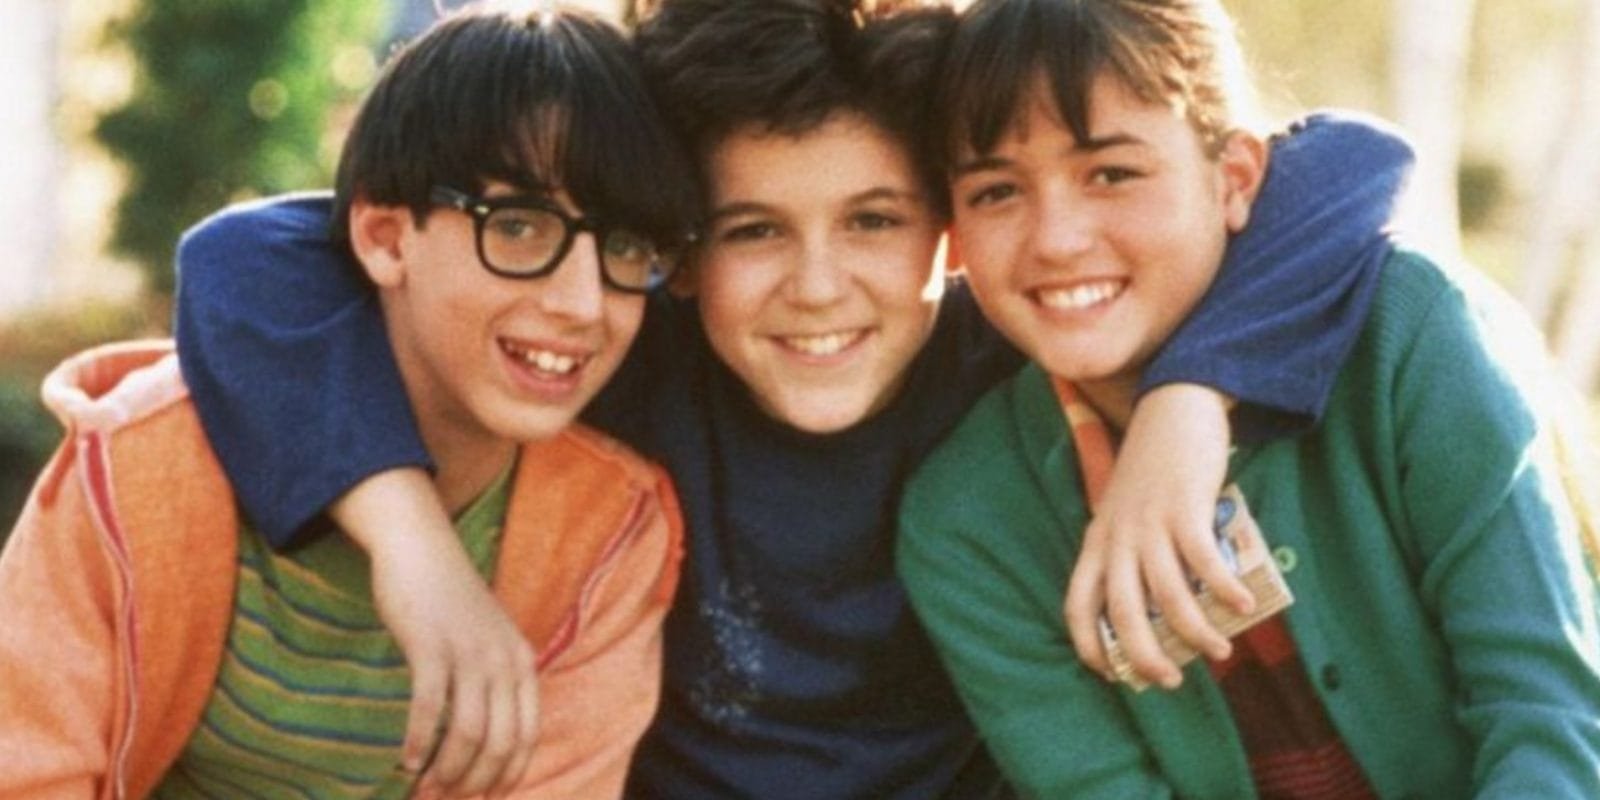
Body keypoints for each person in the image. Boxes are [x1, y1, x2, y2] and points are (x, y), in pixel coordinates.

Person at [166, 1, 1413, 796]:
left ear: (949, 224)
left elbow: (1353, 162)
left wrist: (1189, 404)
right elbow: (243, 257)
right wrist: (416, 555)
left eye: (874, 219)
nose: (818, 287)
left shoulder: (1006, 347)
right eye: (751, 229)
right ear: (679, 246)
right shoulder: (627, 347)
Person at [897, 0, 1600, 796]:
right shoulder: (969, 520)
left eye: (1113, 174)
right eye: (996, 191)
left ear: (1234, 178)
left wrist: (1190, 393)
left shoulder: (1411, 336)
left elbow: (1555, 723)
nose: (1056, 239)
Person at [0, 4, 694, 797]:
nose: (582, 303)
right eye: (518, 227)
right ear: (386, 238)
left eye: (624, 247)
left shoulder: (609, 536)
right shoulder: (143, 462)